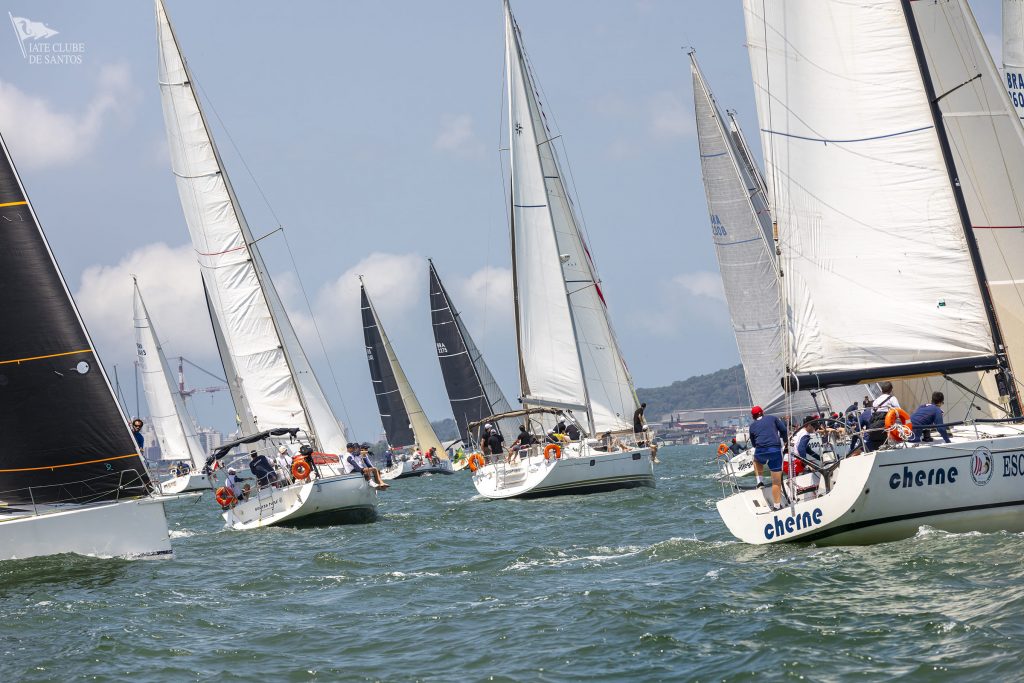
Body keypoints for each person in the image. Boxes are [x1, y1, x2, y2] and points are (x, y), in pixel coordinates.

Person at [748, 405, 787, 510]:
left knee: (756, 461)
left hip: (761, 450)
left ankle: (759, 482)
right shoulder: (773, 418)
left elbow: (754, 444)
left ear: (753, 416)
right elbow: (783, 430)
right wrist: (786, 442)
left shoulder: (752, 426)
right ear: (762, 412)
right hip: (774, 450)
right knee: (776, 481)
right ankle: (777, 506)